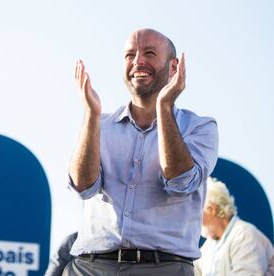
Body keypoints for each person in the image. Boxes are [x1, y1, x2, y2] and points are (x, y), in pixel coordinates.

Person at [65, 28, 219, 275]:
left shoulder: (200, 127)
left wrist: (164, 106)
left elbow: (179, 182)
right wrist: (91, 115)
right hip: (90, 267)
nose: (138, 61)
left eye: (149, 53)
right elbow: (83, 186)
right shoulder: (98, 124)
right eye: (130, 55)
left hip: (163, 267)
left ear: (173, 67)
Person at [194, 178, 274, 275]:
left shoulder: (244, 235)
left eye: (196, 212)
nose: (194, 219)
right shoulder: (210, 245)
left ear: (211, 209)